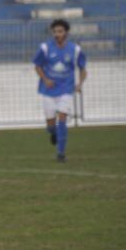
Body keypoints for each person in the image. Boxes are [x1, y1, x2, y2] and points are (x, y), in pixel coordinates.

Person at [33, 19, 87, 162]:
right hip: (48, 90)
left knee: (62, 119)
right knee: (51, 125)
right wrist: (45, 79)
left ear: (66, 32)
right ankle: (53, 133)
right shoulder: (45, 48)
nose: (57, 34)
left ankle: (61, 154)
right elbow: (37, 66)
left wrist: (80, 84)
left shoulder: (75, 50)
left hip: (66, 89)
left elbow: (83, 69)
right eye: (55, 31)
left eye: (60, 31)